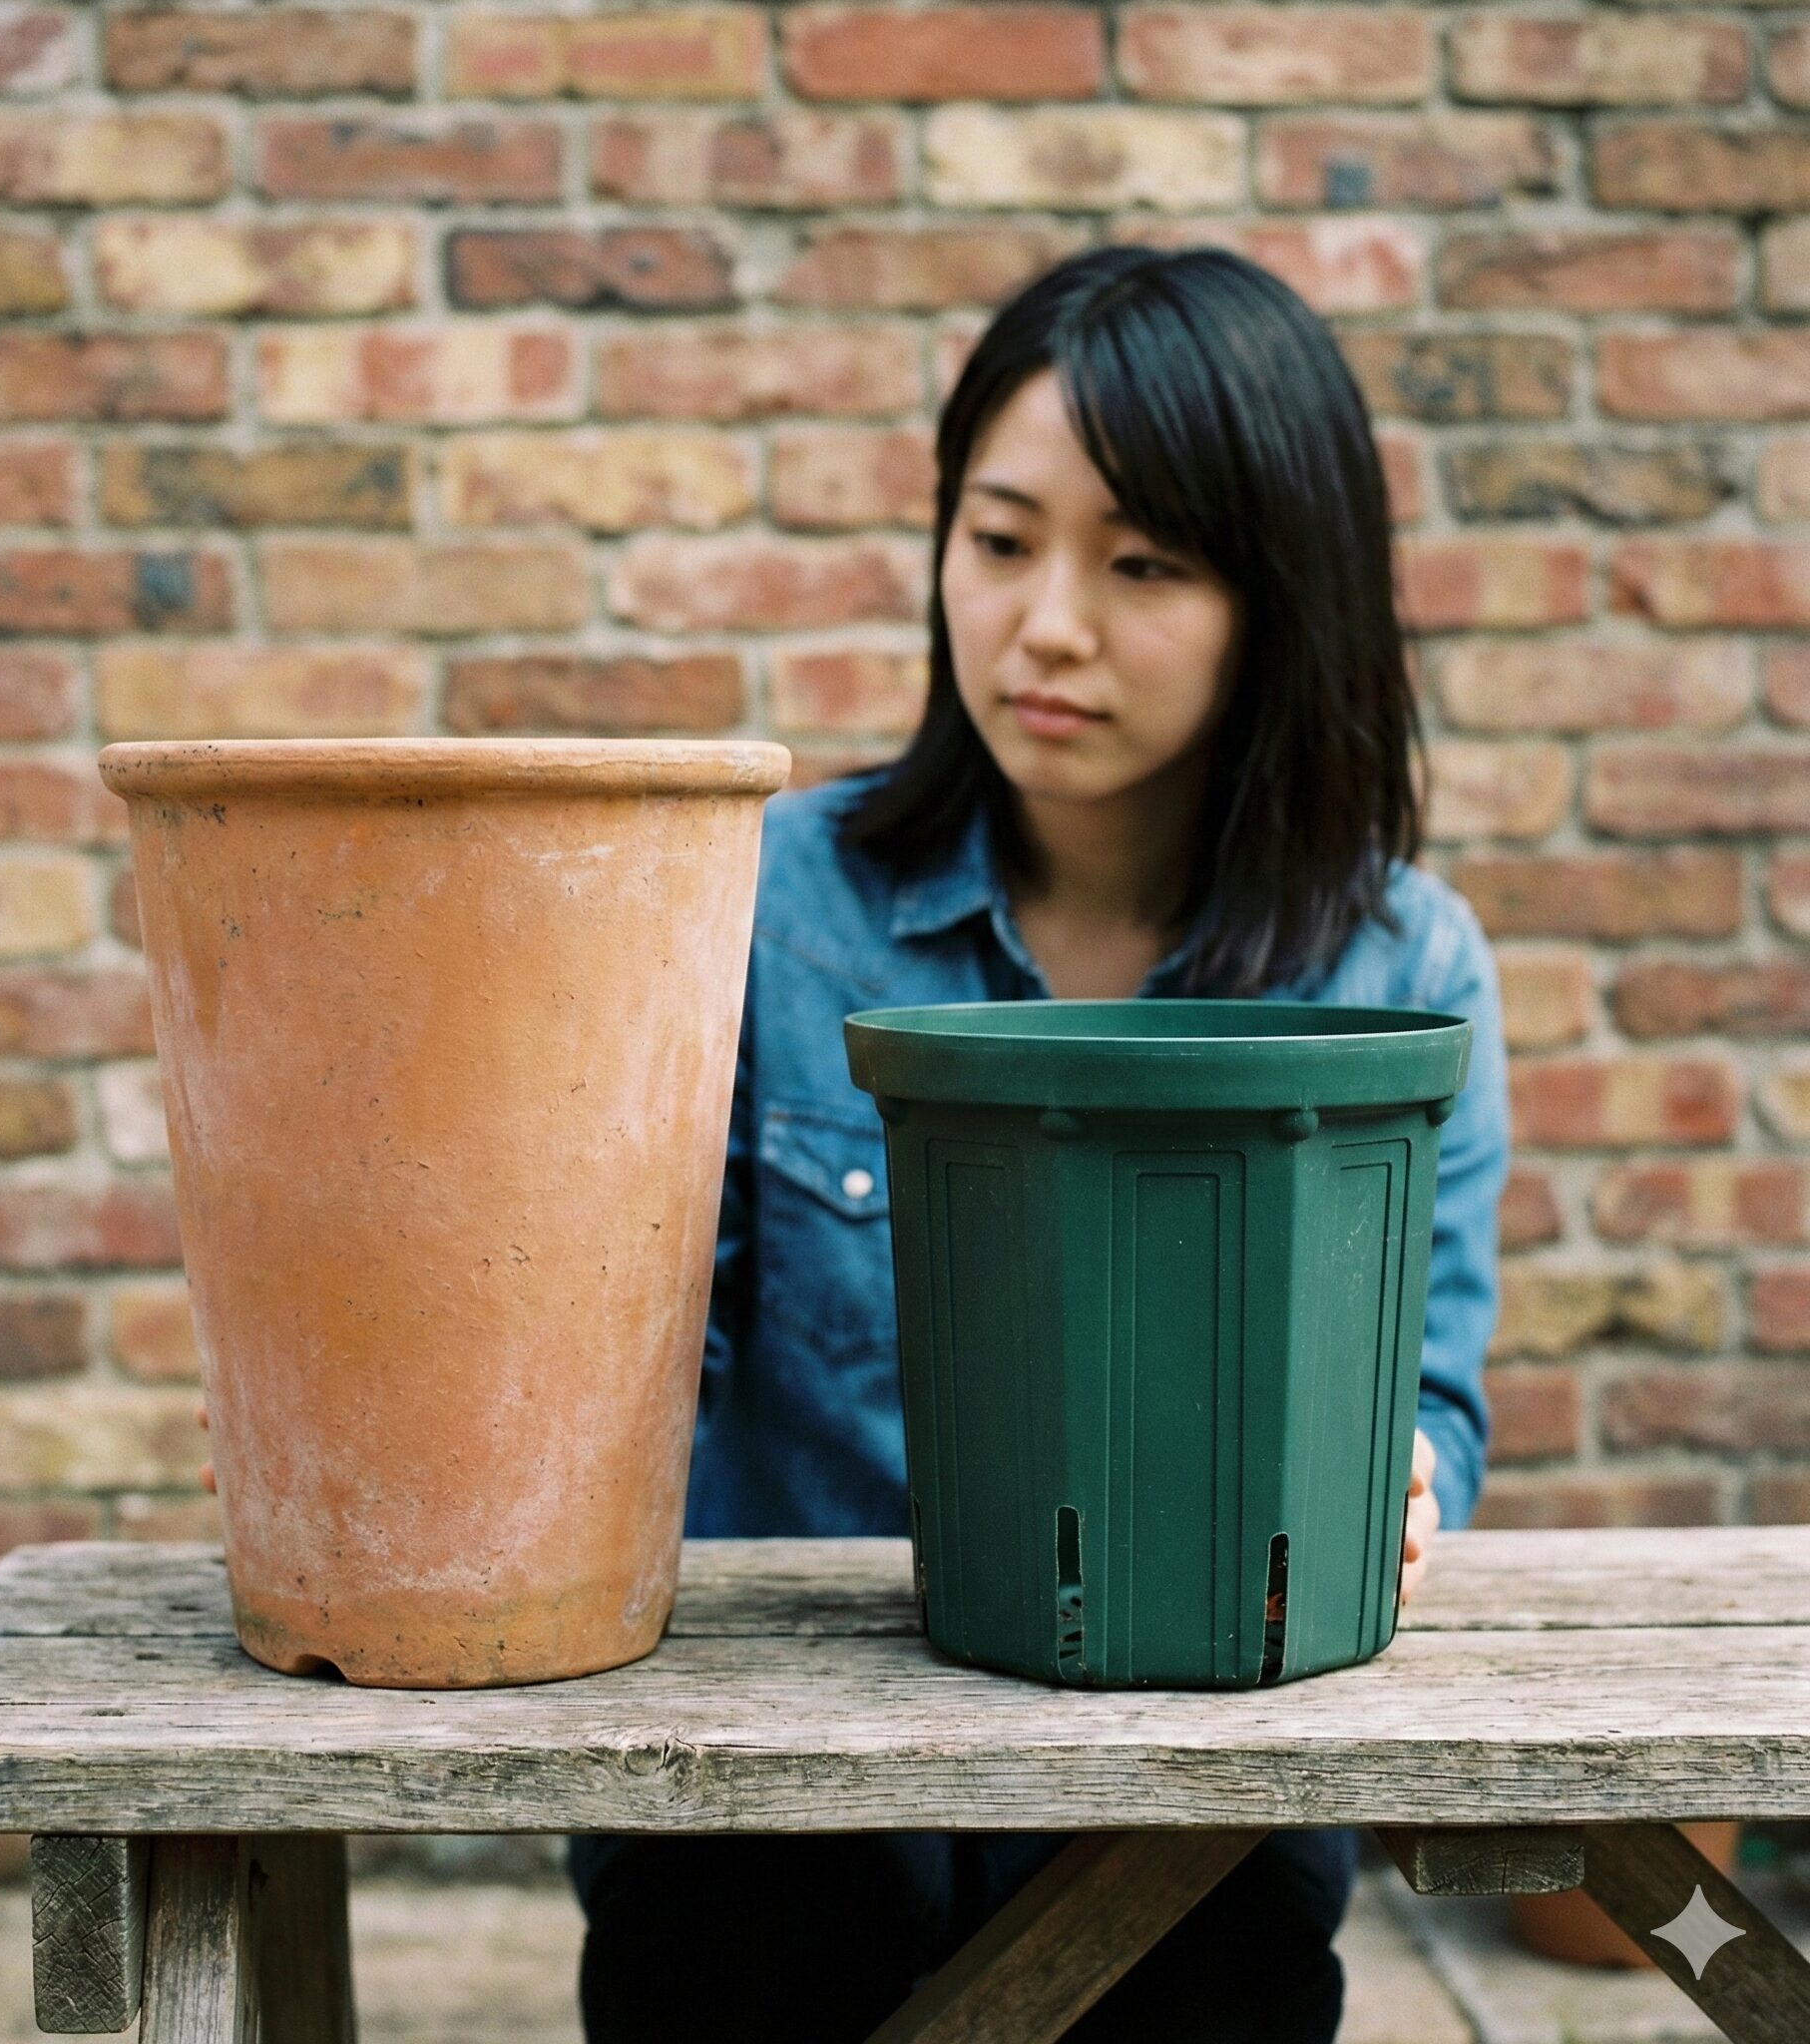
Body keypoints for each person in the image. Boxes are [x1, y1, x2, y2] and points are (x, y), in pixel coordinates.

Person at [565, 243, 1511, 2043]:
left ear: (1282, 601)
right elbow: (638, 1357)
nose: (1047, 623)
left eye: (1141, 562)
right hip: (778, 1783)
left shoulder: (1403, 971)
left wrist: (1404, 1488)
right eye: (1001, 543)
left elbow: (1433, 1405)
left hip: (1184, 1781)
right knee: (765, 1924)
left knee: (1206, 1950)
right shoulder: (767, 905)